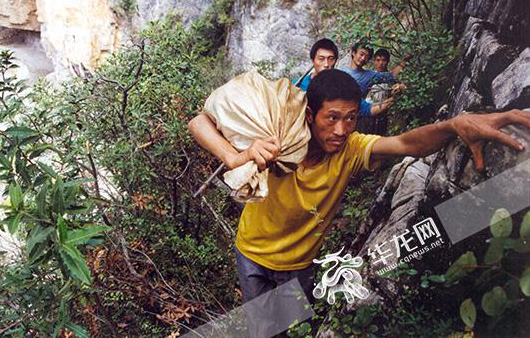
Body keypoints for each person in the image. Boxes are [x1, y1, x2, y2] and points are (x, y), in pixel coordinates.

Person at [188, 69, 529, 325]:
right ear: (310, 115)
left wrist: (455, 125)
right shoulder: (281, 138)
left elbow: (406, 143)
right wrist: (236, 156)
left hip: (298, 266)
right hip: (251, 254)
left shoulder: (350, 149)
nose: (340, 129)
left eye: (350, 118)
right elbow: (199, 122)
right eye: (331, 118)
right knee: (264, 327)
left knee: (294, 326)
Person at [293, 39, 391, 118]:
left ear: (335, 61)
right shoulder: (295, 86)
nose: (326, 64)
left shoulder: (342, 86)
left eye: (331, 59)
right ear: (313, 60)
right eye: (321, 59)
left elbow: (367, 109)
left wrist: (394, 99)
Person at [361, 48, 409, 135]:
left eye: (383, 60)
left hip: (382, 117)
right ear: (374, 61)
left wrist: (401, 87)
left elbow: (404, 87)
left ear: (387, 61)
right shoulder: (368, 77)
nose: (380, 63)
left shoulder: (391, 78)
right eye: (378, 60)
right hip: (366, 116)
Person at [339, 42, 407, 96]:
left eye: (366, 57)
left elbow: (391, 75)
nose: (363, 58)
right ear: (354, 53)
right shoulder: (340, 72)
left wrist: (405, 61)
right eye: (361, 54)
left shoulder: (369, 75)